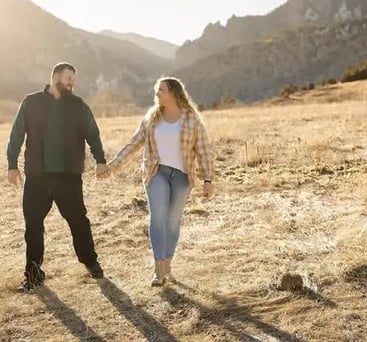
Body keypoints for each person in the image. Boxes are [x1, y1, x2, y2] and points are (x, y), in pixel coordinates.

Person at [7, 62, 109, 292]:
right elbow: (16, 134)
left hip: (68, 176)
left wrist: (100, 160)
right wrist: (12, 165)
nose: (72, 81)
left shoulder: (78, 106)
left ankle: (90, 262)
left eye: (75, 78)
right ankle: (33, 273)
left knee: (78, 220)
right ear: (55, 77)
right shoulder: (31, 102)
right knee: (33, 225)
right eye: (68, 77)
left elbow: (92, 133)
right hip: (37, 176)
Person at [108, 76, 214, 286]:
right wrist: (113, 165)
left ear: (174, 92)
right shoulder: (152, 118)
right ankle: (158, 270)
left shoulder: (191, 119)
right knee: (158, 218)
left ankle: (167, 264)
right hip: (156, 172)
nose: (157, 95)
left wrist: (208, 179)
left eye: (161, 91)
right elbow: (134, 143)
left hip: (182, 176)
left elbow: (203, 150)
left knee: (172, 222)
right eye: (157, 91)